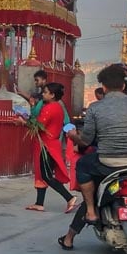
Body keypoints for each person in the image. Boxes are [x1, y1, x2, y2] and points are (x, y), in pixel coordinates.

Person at [58, 64, 127, 250]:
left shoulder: (95, 108)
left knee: (83, 166)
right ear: (124, 87)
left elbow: (86, 140)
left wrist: (73, 136)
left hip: (106, 163)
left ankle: (91, 212)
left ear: (104, 88)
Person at [24, 83, 78, 214]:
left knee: (46, 175)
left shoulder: (50, 108)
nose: (43, 94)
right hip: (50, 144)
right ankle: (39, 203)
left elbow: (38, 126)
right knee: (42, 173)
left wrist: (23, 122)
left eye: (45, 92)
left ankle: (69, 198)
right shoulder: (58, 107)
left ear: (52, 95)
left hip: (46, 145)